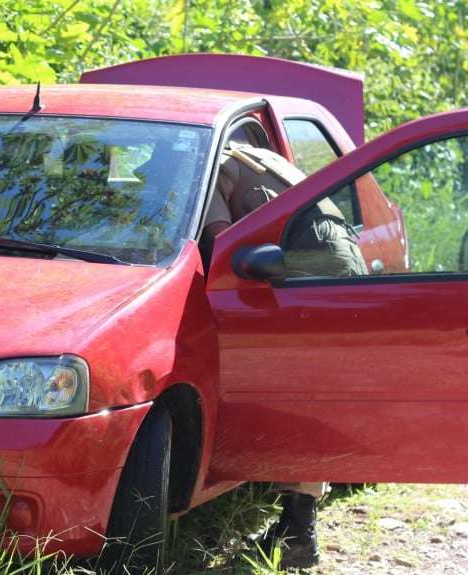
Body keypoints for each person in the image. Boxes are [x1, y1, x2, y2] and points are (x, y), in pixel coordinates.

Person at [200, 142, 368, 569]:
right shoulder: (257, 155)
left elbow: (222, 243)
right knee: (310, 398)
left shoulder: (210, 158)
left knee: (293, 396)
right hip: (344, 263)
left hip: (313, 269)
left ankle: (297, 533)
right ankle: (295, 527)